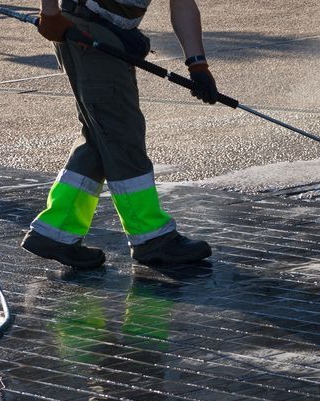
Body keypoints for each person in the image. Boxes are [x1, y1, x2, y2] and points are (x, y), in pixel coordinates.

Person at [21, 0, 217, 268]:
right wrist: (50, 13)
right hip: (87, 32)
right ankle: (151, 237)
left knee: (101, 133)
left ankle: (56, 231)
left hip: (101, 31)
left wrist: (198, 65)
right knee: (122, 135)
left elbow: (182, 3)